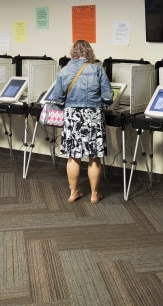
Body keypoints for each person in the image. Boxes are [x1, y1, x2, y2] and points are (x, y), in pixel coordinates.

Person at [50, 40, 113, 204]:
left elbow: (57, 98)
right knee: (94, 157)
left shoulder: (64, 71)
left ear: (73, 53)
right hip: (93, 115)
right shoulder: (97, 69)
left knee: (73, 157)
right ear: (89, 53)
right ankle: (94, 195)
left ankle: (73, 193)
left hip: (72, 117)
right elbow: (108, 97)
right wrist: (100, 102)